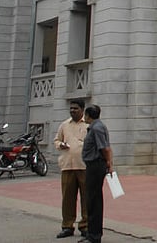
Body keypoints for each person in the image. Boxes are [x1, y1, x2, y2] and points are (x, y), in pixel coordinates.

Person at [54, 100, 88, 239]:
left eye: (76, 108)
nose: (73, 110)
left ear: (82, 109)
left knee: (86, 198)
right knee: (67, 198)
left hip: (84, 166)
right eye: (71, 108)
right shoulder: (64, 125)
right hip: (67, 166)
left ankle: (85, 225)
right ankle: (67, 225)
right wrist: (60, 144)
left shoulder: (88, 124)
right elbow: (56, 140)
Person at [81, 105, 112, 243]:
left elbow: (104, 148)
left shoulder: (97, 128)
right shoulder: (96, 127)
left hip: (96, 165)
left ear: (88, 115)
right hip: (93, 165)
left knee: (93, 200)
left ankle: (94, 235)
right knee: (92, 199)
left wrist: (109, 163)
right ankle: (92, 232)